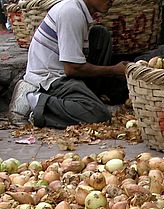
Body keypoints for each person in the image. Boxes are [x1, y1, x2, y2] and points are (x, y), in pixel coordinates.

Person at [8, 0, 130, 128]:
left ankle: (86, 98)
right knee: (99, 115)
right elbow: (72, 69)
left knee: (100, 35)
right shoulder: (71, 12)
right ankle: (36, 103)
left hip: (64, 72)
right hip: (50, 79)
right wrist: (114, 70)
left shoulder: (77, 10)